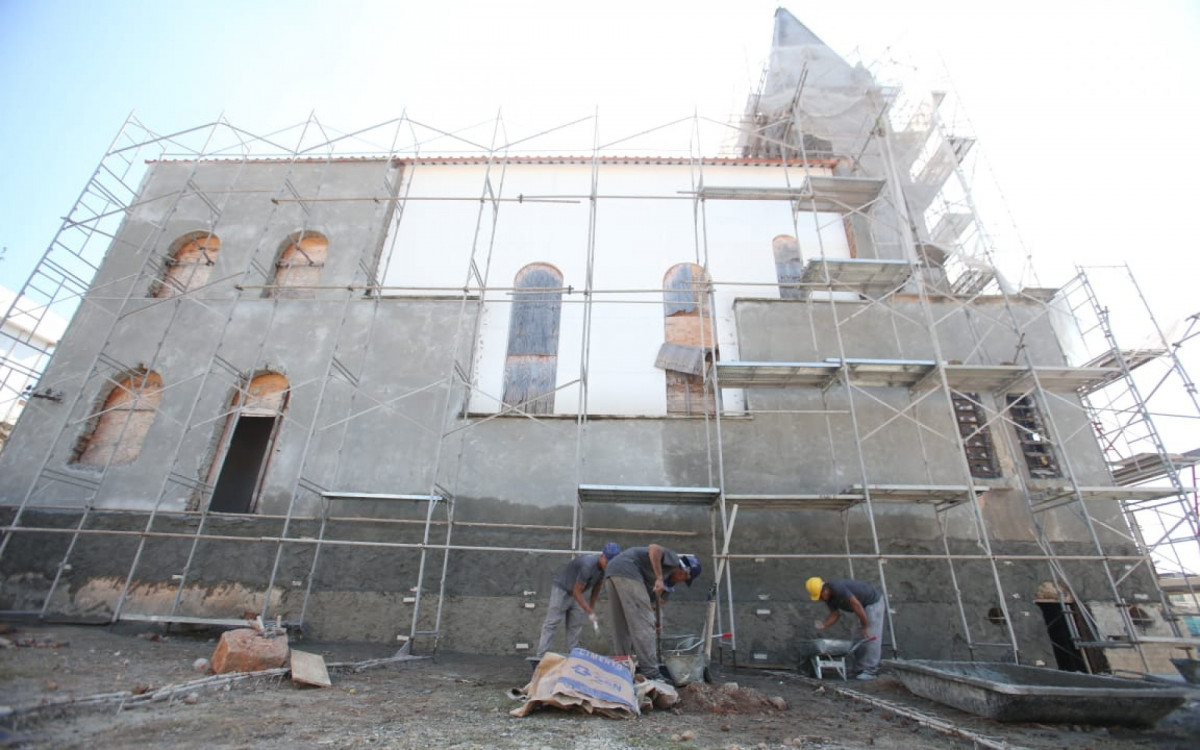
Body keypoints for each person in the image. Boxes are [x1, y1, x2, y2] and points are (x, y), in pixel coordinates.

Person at [604, 544, 702, 681]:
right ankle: (651, 672)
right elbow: (654, 548)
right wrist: (659, 578)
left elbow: (657, 604)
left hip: (612, 571)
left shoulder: (666, 581)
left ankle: (623, 666)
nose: (680, 582)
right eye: (684, 579)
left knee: (621, 625)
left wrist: (655, 619)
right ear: (684, 572)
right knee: (643, 625)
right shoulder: (673, 560)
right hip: (628, 571)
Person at [535, 542, 622, 658]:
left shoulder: (604, 568)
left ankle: (572, 655)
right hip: (562, 590)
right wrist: (588, 610)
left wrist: (592, 607)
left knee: (575, 625)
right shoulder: (587, 566)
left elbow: (597, 586)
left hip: (577, 593)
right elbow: (576, 591)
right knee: (552, 623)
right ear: (602, 556)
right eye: (607, 562)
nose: (608, 565)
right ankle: (540, 656)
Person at [807, 576, 885, 680]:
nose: (821, 599)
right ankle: (860, 668)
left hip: (872, 603)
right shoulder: (829, 597)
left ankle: (871, 670)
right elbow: (835, 614)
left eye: (821, 595)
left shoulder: (837, 588)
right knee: (858, 637)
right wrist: (824, 624)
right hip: (861, 607)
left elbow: (856, 604)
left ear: (825, 589)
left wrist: (866, 626)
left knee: (870, 636)